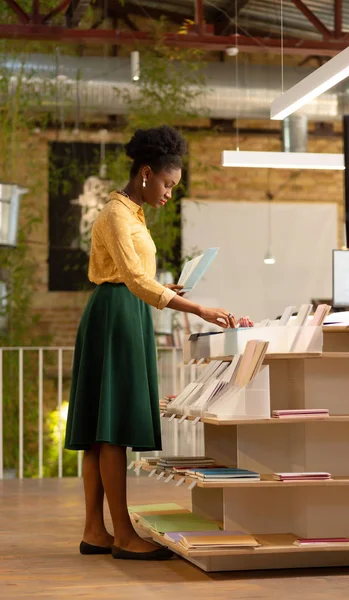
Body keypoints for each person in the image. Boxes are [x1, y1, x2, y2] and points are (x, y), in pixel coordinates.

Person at [65, 125, 237, 561]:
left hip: (125, 310)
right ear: (146, 173)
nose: (169, 194)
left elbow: (135, 276)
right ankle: (121, 534)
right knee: (111, 428)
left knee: (103, 429)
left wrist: (172, 289)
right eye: (167, 184)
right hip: (116, 316)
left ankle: (95, 531)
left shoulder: (132, 213)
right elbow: (135, 279)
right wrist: (194, 307)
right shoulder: (116, 216)